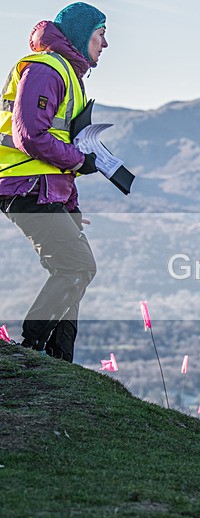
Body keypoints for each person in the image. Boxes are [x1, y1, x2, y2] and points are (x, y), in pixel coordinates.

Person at [0, 3, 107, 361]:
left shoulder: (66, 74)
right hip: (24, 186)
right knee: (77, 267)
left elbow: (59, 148)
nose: (104, 44)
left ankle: (59, 359)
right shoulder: (46, 69)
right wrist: (81, 161)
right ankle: (31, 350)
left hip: (44, 189)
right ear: (81, 35)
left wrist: (71, 205)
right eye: (100, 34)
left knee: (77, 269)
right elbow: (30, 137)